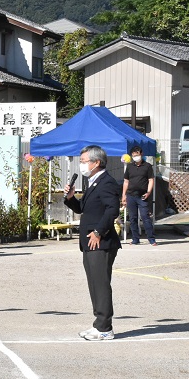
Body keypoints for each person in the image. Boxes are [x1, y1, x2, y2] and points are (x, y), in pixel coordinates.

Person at [64, 144, 122, 341]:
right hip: (90, 242)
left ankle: (105, 327)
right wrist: (71, 198)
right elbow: (82, 208)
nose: (81, 165)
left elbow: (112, 210)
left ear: (96, 163)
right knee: (94, 284)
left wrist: (98, 231)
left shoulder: (107, 182)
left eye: (84, 162)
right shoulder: (94, 182)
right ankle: (99, 324)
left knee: (101, 284)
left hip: (101, 241)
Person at [122, 146, 157, 246]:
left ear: (141, 154)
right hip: (131, 195)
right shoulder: (129, 167)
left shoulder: (147, 166)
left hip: (142, 196)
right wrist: (124, 195)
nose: (135, 157)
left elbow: (151, 180)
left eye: (137, 155)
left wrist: (149, 192)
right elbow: (126, 181)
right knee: (133, 218)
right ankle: (135, 239)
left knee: (145, 217)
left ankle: (151, 239)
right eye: (133, 155)